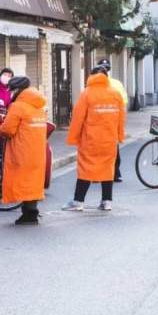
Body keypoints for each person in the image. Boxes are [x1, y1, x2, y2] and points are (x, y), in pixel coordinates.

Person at [62, 67, 125, 212]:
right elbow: (121, 118)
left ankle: (78, 201)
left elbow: (78, 118)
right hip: (110, 140)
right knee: (108, 170)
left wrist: (73, 138)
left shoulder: (87, 93)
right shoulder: (115, 94)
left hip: (90, 140)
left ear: (91, 76)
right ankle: (106, 202)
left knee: (86, 169)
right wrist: (120, 136)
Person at [0, 77, 48, 225]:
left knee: (23, 182)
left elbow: (8, 130)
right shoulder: (39, 105)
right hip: (38, 151)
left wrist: (1, 127)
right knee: (33, 182)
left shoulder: (18, 106)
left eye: (11, 90)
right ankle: (32, 212)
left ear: (17, 90)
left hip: (22, 151)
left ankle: (29, 214)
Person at [97, 59, 128, 183]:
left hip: (101, 122)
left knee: (102, 149)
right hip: (110, 122)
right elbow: (124, 103)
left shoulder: (94, 84)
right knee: (113, 148)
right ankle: (115, 174)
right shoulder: (116, 84)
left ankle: (105, 173)